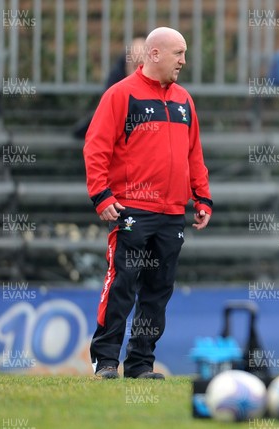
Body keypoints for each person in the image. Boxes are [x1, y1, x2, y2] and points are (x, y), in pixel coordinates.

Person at [83, 27, 213, 379]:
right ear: (154, 54)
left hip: (172, 212)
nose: (184, 61)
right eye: (178, 53)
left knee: (157, 292)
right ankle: (106, 361)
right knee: (122, 284)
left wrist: (201, 196)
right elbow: (95, 147)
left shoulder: (184, 100)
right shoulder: (120, 95)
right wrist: (101, 195)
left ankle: (141, 364)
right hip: (131, 210)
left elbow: (194, 153)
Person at [73, 36, 146, 139]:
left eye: (142, 65)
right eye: (135, 65)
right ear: (127, 64)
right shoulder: (115, 81)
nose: (139, 70)